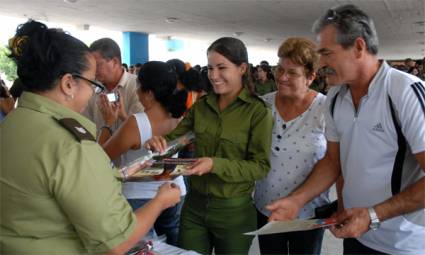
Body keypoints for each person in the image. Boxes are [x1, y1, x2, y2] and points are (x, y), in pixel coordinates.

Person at [0, 20, 181, 254]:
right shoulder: (71, 145)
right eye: (93, 84)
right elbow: (116, 243)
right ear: (68, 84)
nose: (93, 93)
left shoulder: (14, 122)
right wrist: (160, 202)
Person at [267, 4, 425, 255]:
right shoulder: (335, 98)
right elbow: (332, 161)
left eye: (327, 53)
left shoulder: (403, 92)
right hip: (356, 235)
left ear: (359, 47)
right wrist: (297, 200)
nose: (320, 63)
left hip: (402, 244)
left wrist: (373, 215)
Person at [145, 37, 274, 254]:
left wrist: (215, 164)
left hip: (234, 211)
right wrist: (158, 143)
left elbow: (260, 166)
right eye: (210, 68)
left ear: (242, 68)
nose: (213, 75)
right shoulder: (202, 107)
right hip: (194, 208)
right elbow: (176, 139)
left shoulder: (258, 112)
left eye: (222, 67)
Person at [254, 37, 329, 255]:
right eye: (280, 69)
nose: (282, 77)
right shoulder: (264, 105)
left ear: (310, 77)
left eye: (292, 72)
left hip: (308, 213)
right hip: (266, 207)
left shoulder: (325, 109)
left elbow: (336, 160)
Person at [101, 61, 188, 246]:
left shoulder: (135, 123)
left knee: (142, 246)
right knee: (173, 244)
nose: (136, 91)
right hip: (175, 191)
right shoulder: (179, 117)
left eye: (139, 87)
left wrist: (108, 122)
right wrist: (124, 118)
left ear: (149, 93)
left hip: (139, 197)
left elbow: (102, 155)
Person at [83, 38, 144, 137]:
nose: (94, 71)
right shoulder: (91, 89)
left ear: (115, 62)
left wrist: (123, 117)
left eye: (98, 65)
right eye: (91, 66)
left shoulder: (137, 86)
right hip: (99, 150)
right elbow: (86, 126)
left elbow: (142, 131)